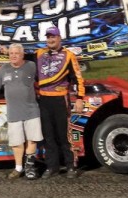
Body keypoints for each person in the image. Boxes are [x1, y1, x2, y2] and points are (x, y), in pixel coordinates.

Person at [0, 43, 43, 180]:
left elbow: (45, 77)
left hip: (32, 110)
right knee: (17, 142)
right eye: (11, 53)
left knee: (32, 140)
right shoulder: (4, 69)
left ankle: (30, 167)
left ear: (22, 54)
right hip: (13, 112)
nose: (13, 56)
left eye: (17, 53)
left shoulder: (31, 65)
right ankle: (18, 168)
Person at [36, 27, 85, 179]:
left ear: (59, 38)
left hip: (60, 99)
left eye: (53, 37)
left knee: (63, 135)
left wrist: (79, 98)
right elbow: (20, 57)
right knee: (48, 135)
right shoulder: (39, 53)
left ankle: (71, 166)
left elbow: (77, 78)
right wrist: (4, 51)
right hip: (43, 99)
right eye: (48, 37)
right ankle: (52, 167)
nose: (50, 40)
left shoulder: (69, 55)